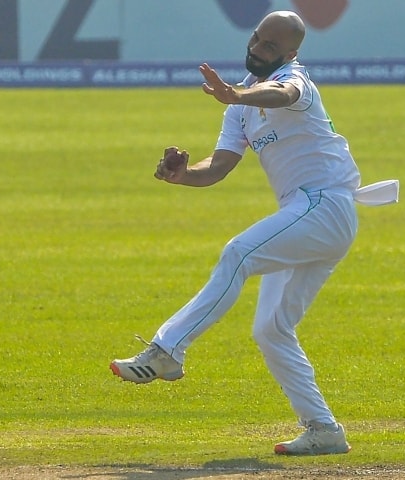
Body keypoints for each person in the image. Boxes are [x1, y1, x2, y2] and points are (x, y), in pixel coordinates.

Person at [111, 10, 362, 456]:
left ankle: (167, 349)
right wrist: (182, 176)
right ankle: (324, 429)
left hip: (325, 204)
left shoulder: (295, 82)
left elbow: (282, 94)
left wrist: (238, 93)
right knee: (271, 329)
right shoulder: (241, 106)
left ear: (290, 53)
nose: (256, 49)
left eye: (269, 46)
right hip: (308, 213)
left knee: (238, 253)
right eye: (256, 39)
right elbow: (219, 167)